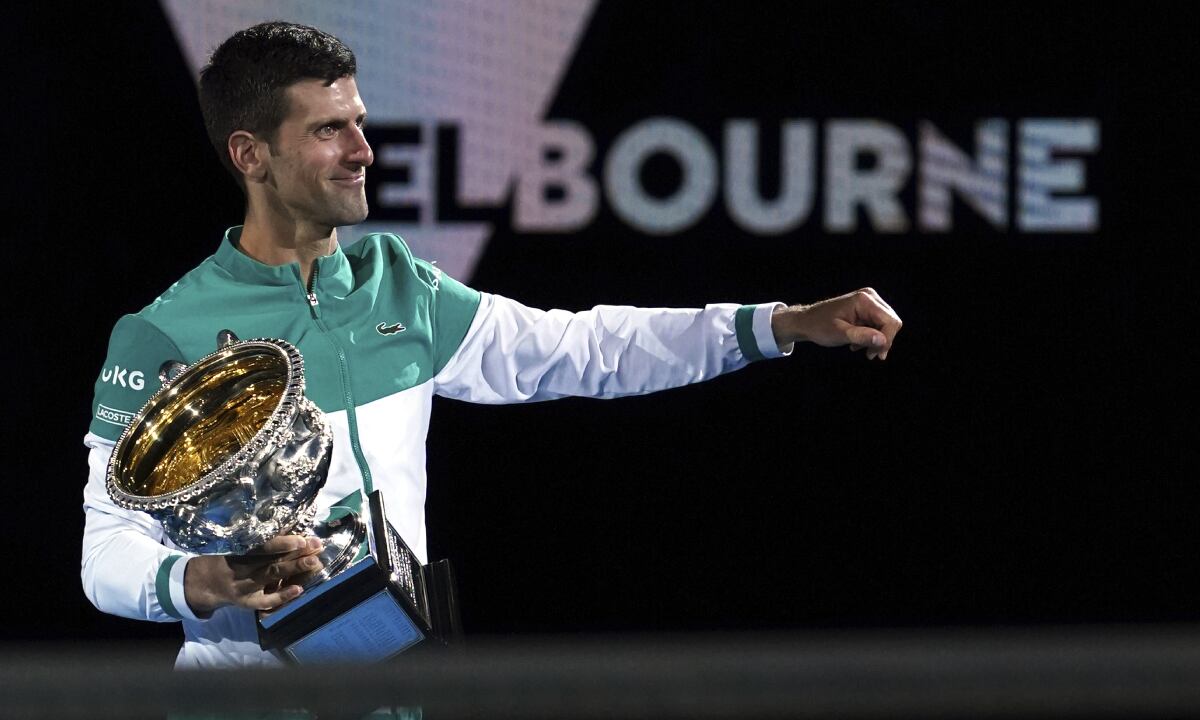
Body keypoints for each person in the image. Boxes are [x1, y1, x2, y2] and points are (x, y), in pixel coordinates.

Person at [82, 21, 902, 669]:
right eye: (330, 131)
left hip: (400, 692)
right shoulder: (162, 333)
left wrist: (774, 324)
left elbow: (581, 348)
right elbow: (106, 553)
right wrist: (202, 581)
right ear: (249, 154)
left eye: (360, 123)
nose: (364, 151)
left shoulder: (400, 286)